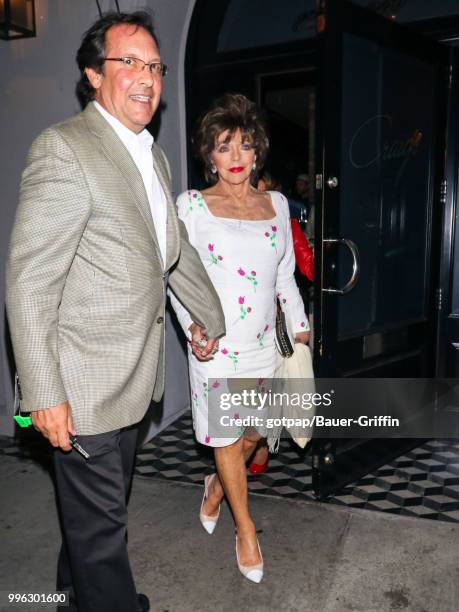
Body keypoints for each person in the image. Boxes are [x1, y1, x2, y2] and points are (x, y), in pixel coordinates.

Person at [5, 11, 225, 612]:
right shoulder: (66, 150)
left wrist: (209, 319)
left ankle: (74, 598)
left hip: (133, 380)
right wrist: (43, 394)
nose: (146, 76)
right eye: (128, 62)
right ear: (92, 74)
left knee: (94, 515)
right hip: (81, 387)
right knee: (105, 536)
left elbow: (169, 252)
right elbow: (29, 283)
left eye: (154, 64)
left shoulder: (150, 157)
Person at [169, 93, 310, 583]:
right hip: (217, 344)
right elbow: (176, 275)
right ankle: (245, 528)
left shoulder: (276, 205)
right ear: (209, 154)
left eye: (244, 147)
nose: (234, 158)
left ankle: (214, 488)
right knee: (229, 437)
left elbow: (285, 276)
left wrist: (298, 322)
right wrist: (193, 327)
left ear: (257, 153)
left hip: (262, 345)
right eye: (223, 147)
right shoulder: (190, 206)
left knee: (255, 433)